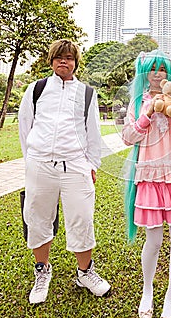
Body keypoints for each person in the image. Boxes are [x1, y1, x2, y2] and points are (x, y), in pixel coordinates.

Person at [18, 39, 110, 304]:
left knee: (82, 218)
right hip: (40, 165)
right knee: (37, 218)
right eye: (59, 57)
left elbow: (93, 131)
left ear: (75, 63)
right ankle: (42, 271)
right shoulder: (36, 89)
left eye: (69, 58)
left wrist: (92, 164)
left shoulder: (86, 93)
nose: (64, 61)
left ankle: (85, 272)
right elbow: (26, 126)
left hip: (76, 167)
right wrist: (32, 160)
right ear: (51, 61)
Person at [122, 50, 171, 318]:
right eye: (152, 69)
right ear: (144, 72)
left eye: (162, 69)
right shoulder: (137, 102)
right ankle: (147, 291)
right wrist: (148, 113)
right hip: (148, 175)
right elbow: (128, 136)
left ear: (169, 73)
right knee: (153, 240)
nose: (157, 74)